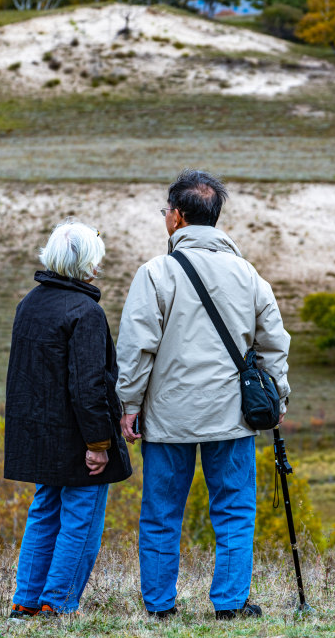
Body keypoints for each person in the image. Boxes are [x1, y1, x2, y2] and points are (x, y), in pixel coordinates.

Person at [116, 169, 290, 620]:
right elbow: (274, 344)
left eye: (165, 211)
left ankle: (159, 606)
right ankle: (230, 605)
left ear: (176, 217)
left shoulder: (155, 273)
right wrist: (279, 400)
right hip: (232, 417)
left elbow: (137, 347)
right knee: (234, 512)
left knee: (160, 515)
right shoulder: (248, 274)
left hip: (168, 419)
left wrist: (129, 405)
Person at [4, 219, 132, 620]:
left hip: (39, 433)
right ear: (87, 264)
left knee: (44, 510)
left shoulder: (30, 302)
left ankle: (26, 598)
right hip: (77, 437)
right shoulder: (85, 312)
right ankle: (57, 602)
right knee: (81, 518)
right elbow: (89, 386)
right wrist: (98, 444)